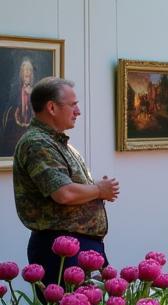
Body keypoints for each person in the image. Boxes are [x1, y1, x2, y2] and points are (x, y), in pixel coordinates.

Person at [12, 76, 119, 285]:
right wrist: (98, 190)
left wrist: (96, 189)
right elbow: (64, 193)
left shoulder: (59, 143)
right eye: (73, 105)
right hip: (61, 253)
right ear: (52, 107)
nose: (78, 111)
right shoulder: (37, 143)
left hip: (79, 248)